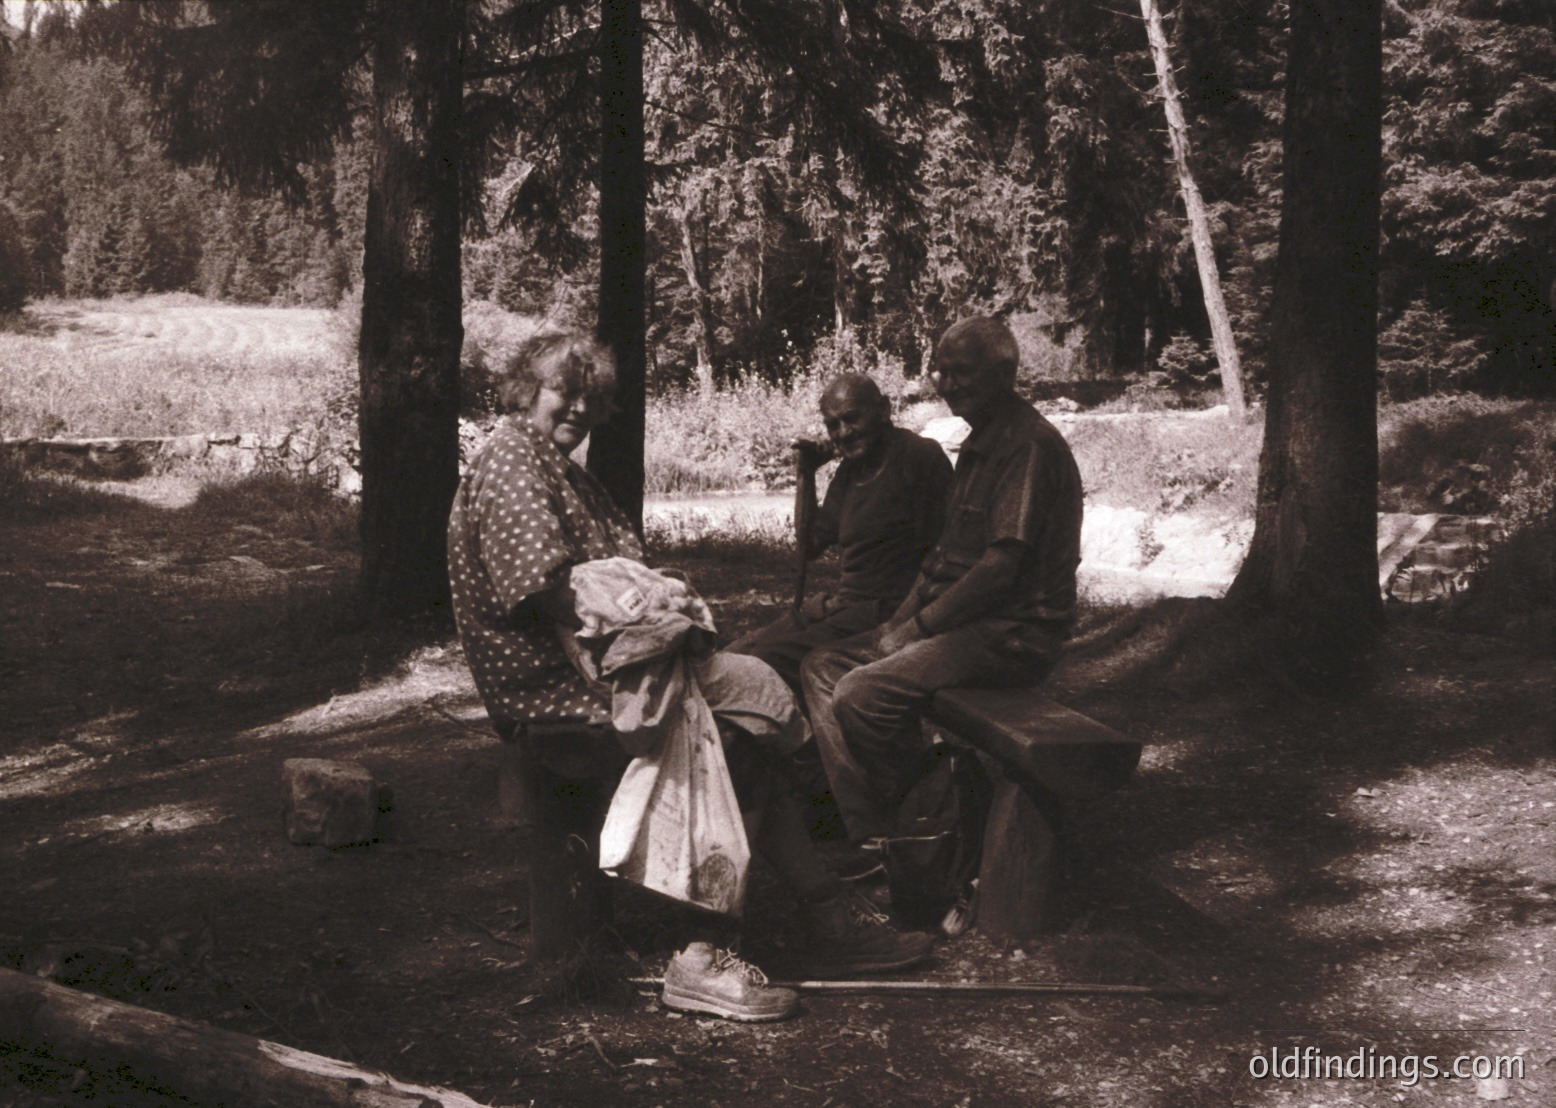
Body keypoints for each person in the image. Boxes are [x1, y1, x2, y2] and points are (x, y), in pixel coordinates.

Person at [446, 333, 934, 1022]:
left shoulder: (545, 462)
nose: (579, 407)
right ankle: (704, 957)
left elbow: (602, 585)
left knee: (755, 700)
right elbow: (555, 593)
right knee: (737, 741)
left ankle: (826, 916)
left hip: (597, 672)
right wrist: (662, 617)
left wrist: (661, 608)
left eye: (592, 397)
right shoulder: (512, 464)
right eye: (564, 390)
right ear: (528, 388)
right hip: (560, 689)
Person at [800, 316, 1084, 845]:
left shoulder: (1028, 446)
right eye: (941, 371)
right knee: (823, 666)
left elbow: (1001, 569)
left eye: (961, 372)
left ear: (1005, 371)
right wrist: (899, 622)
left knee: (862, 692)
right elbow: (939, 560)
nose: (947, 384)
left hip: (1013, 632)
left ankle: (944, 813)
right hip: (968, 626)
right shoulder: (977, 447)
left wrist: (918, 628)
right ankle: (873, 832)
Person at [728, 374, 952, 693]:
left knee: (767, 659)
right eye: (833, 425)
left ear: (883, 410)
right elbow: (809, 546)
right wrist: (806, 473)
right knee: (738, 650)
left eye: (851, 419)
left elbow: (943, 553)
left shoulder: (918, 457)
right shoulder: (851, 470)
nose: (843, 433)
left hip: (886, 610)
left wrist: (906, 624)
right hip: (843, 606)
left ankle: (800, 740)